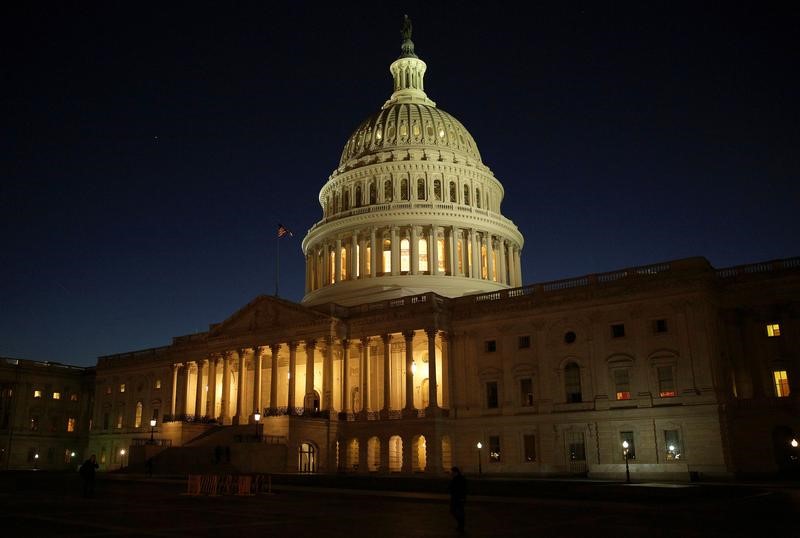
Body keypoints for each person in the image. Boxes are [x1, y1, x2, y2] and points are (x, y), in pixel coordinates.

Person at [449, 466, 467, 532]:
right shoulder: (457, 478)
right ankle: (461, 525)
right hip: (457, 498)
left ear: (455, 472)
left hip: (458, 498)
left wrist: (462, 498)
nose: (451, 473)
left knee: (456, 511)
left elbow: (463, 489)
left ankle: (461, 525)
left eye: (452, 472)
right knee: (456, 511)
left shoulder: (459, 479)